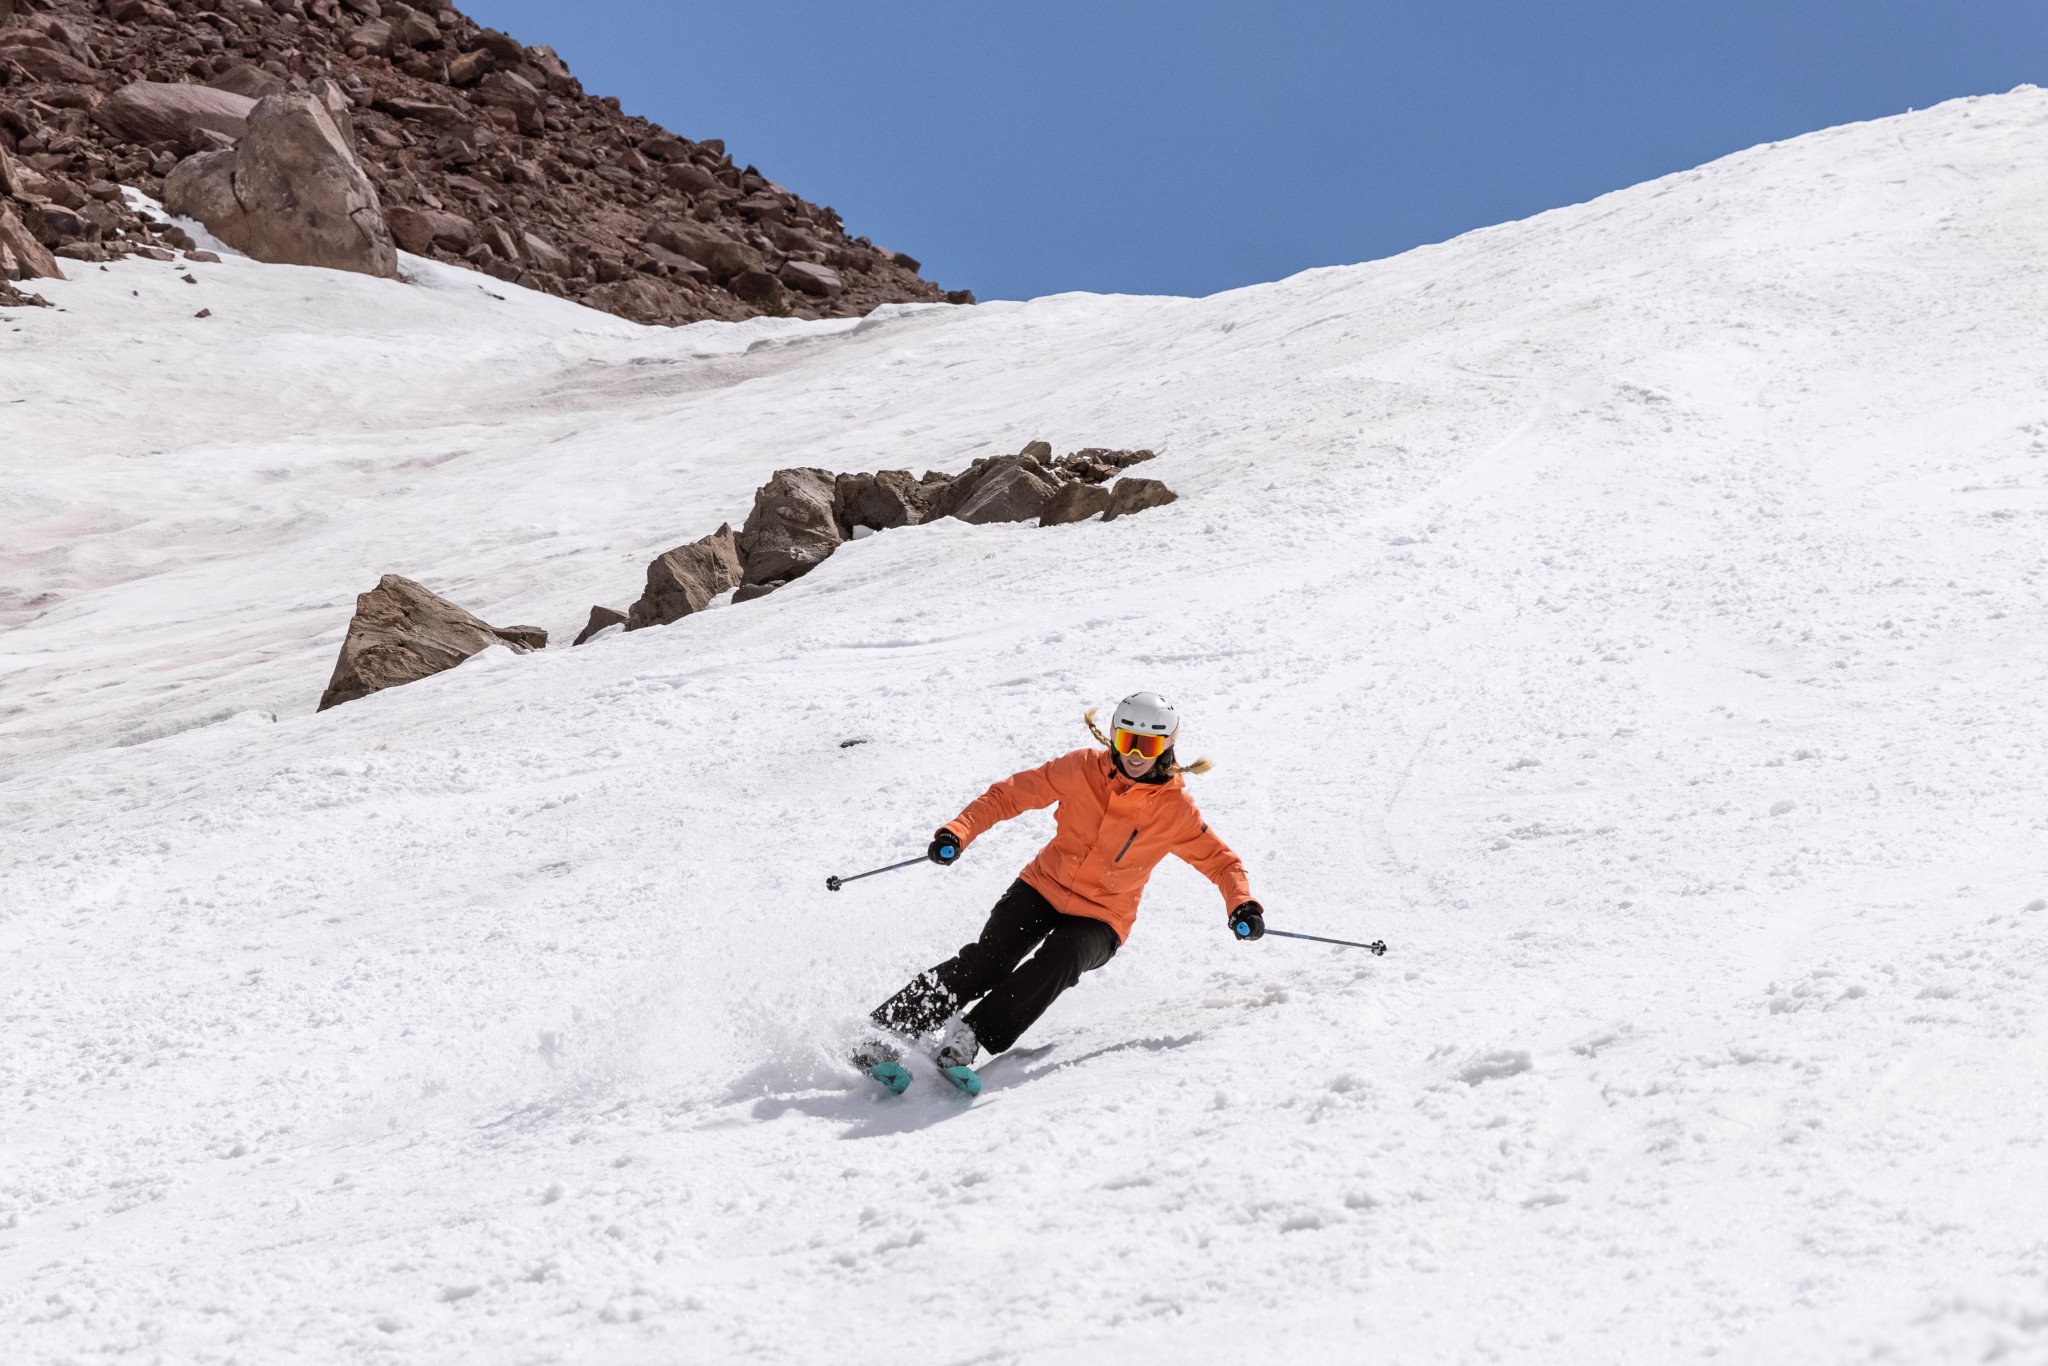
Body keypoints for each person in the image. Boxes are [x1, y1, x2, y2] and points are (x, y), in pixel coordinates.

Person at [854, 691, 1265, 1092]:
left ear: (1167, 746)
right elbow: (1009, 795)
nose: (1135, 755)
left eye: (1148, 745)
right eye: (1127, 740)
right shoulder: (1081, 768)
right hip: (1043, 886)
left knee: (1061, 960)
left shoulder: (1175, 810)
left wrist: (1242, 904)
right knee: (988, 960)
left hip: (1102, 917)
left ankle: (968, 1038)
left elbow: (1221, 862)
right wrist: (958, 831)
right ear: (1113, 736)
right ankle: (889, 1029)